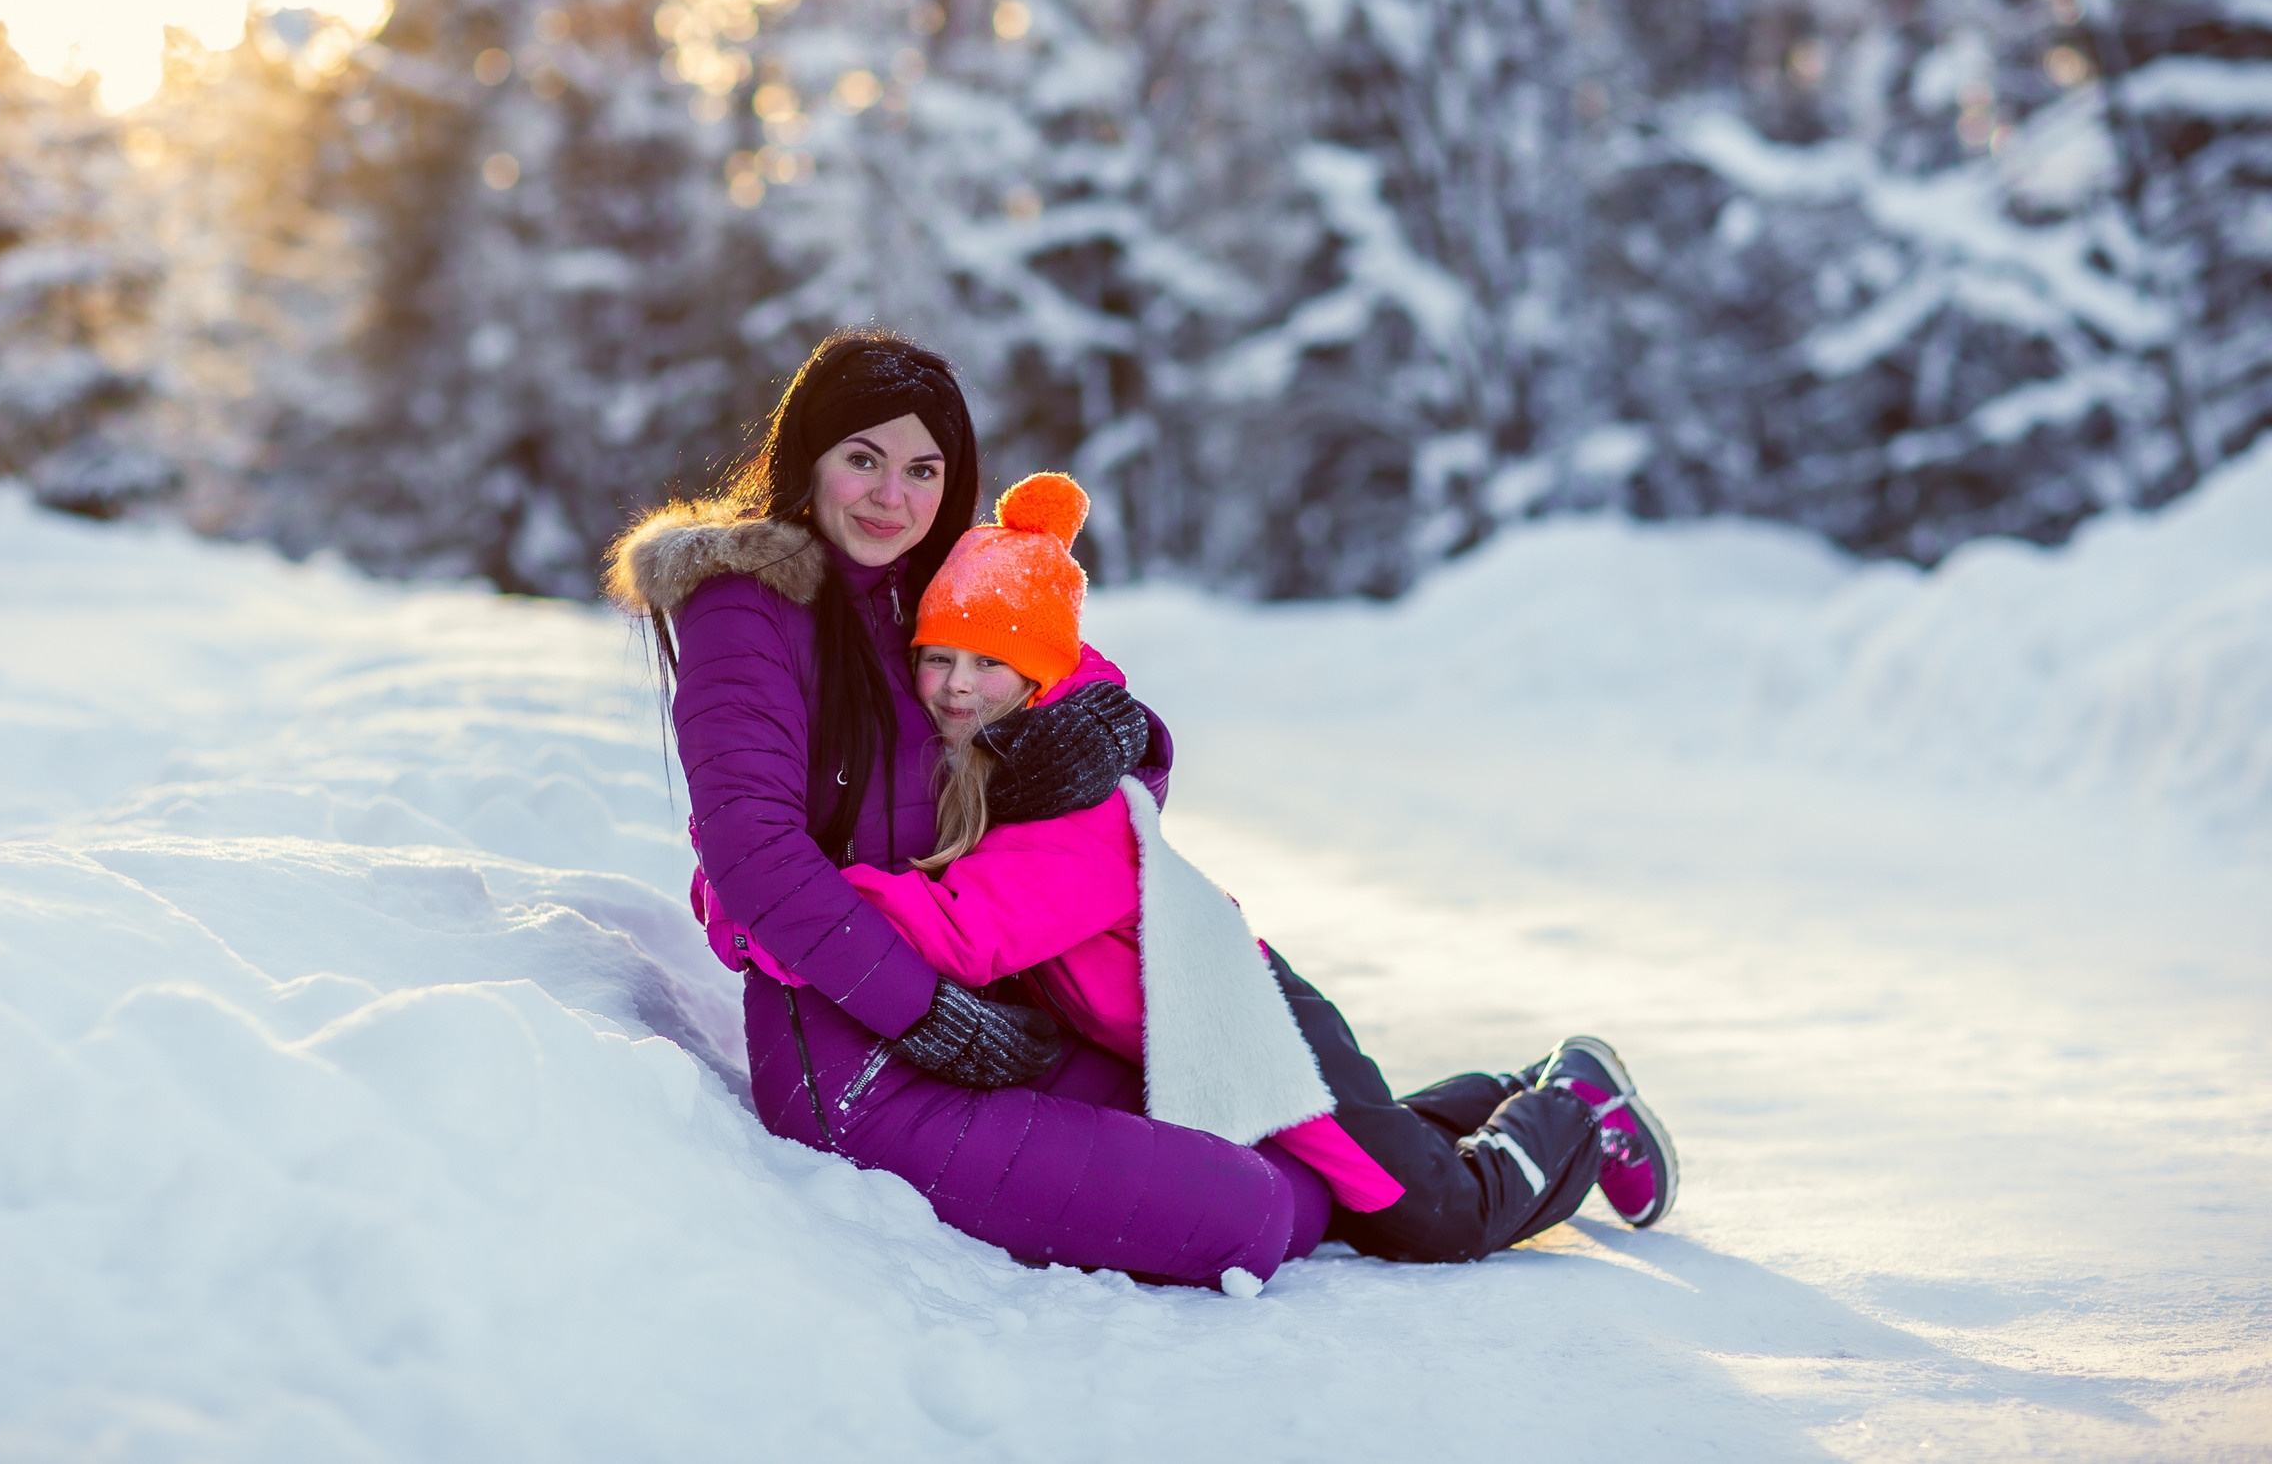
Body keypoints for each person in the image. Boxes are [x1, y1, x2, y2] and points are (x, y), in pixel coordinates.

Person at [605, 331, 1331, 1290]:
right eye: (862, 458)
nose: (890, 496)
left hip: (997, 1010)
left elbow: (1072, 691)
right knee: (1257, 1209)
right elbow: (755, 856)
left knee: (1292, 1148)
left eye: (922, 469)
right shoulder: (746, 607)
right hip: (856, 1068)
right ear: (807, 458)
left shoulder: (933, 588)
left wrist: (1121, 742)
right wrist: (924, 1015)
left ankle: (1530, 1123)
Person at [840, 470, 1680, 1262]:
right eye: (939, 656)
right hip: (1217, 1031)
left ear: (1039, 671)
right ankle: (1516, 1086)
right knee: (1375, 1170)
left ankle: (1576, 1098)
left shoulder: (1074, 804)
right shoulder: (1005, 766)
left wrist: (796, 896)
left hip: (1255, 1028)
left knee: (1436, 1217)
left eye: (990, 662)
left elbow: (966, 934)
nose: (956, 686)